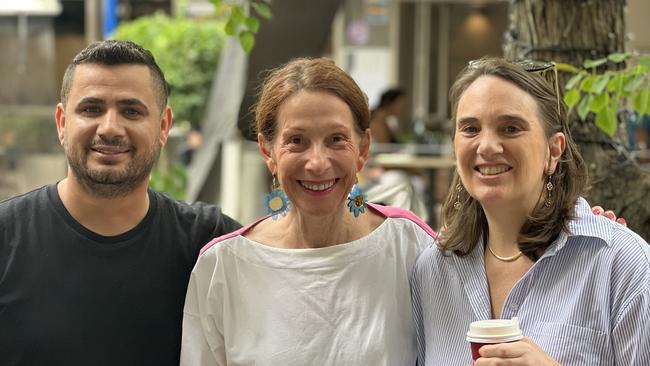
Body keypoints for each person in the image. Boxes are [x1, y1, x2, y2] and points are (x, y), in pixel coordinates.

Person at [180, 58, 435, 365]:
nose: (317, 163)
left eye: (336, 139)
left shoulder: (410, 246)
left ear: (363, 148)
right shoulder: (222, 267)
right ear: (267, 151)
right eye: (296, 141)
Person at [0, 40, 240, 366]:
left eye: (131, 111)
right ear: (61, 122)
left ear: (163, 126)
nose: (110, 128)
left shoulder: (210, 243)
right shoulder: (6, 236)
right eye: (91, 109)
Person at [411, 58, 650, 365]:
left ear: (554, 151)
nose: (486, 146)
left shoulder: (619, 263)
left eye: (510, 128)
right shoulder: (433, 270)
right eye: (470, 128)